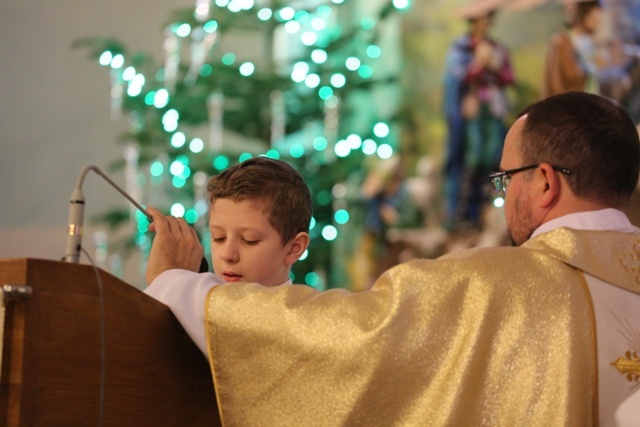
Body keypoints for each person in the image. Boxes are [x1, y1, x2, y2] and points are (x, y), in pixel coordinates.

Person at [145, 92, 640, 425]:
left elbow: (347, 346)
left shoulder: (490, 285)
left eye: (507, 179)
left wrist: (177, 284)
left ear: (547, 181)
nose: (504, 194)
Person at [144, 156, 311, 355]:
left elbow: (231, 313)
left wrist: (166, 276)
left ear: (294, 248)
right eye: (219, 238)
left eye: (249, 240)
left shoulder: (290, 319)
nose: (227, 255)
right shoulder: (199, 302)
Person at [442, 5, 515, 232]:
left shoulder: (496, 48)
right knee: (472, 160)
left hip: (492, 110)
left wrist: (493, 66)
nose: (487, 23)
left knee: (494, 159)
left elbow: (508, 77)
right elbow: (457, 78)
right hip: (472, 114)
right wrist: (477, 65)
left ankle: (494, 204)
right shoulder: (462, 49)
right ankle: (466, 212)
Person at [542, 0, 604, 97]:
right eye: (594, 17)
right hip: (567, 102)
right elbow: (563, 78)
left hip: (586, 100)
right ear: (584, 14)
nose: (598, 22)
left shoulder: (587, 41)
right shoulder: (562, 40)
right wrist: (591, 66)